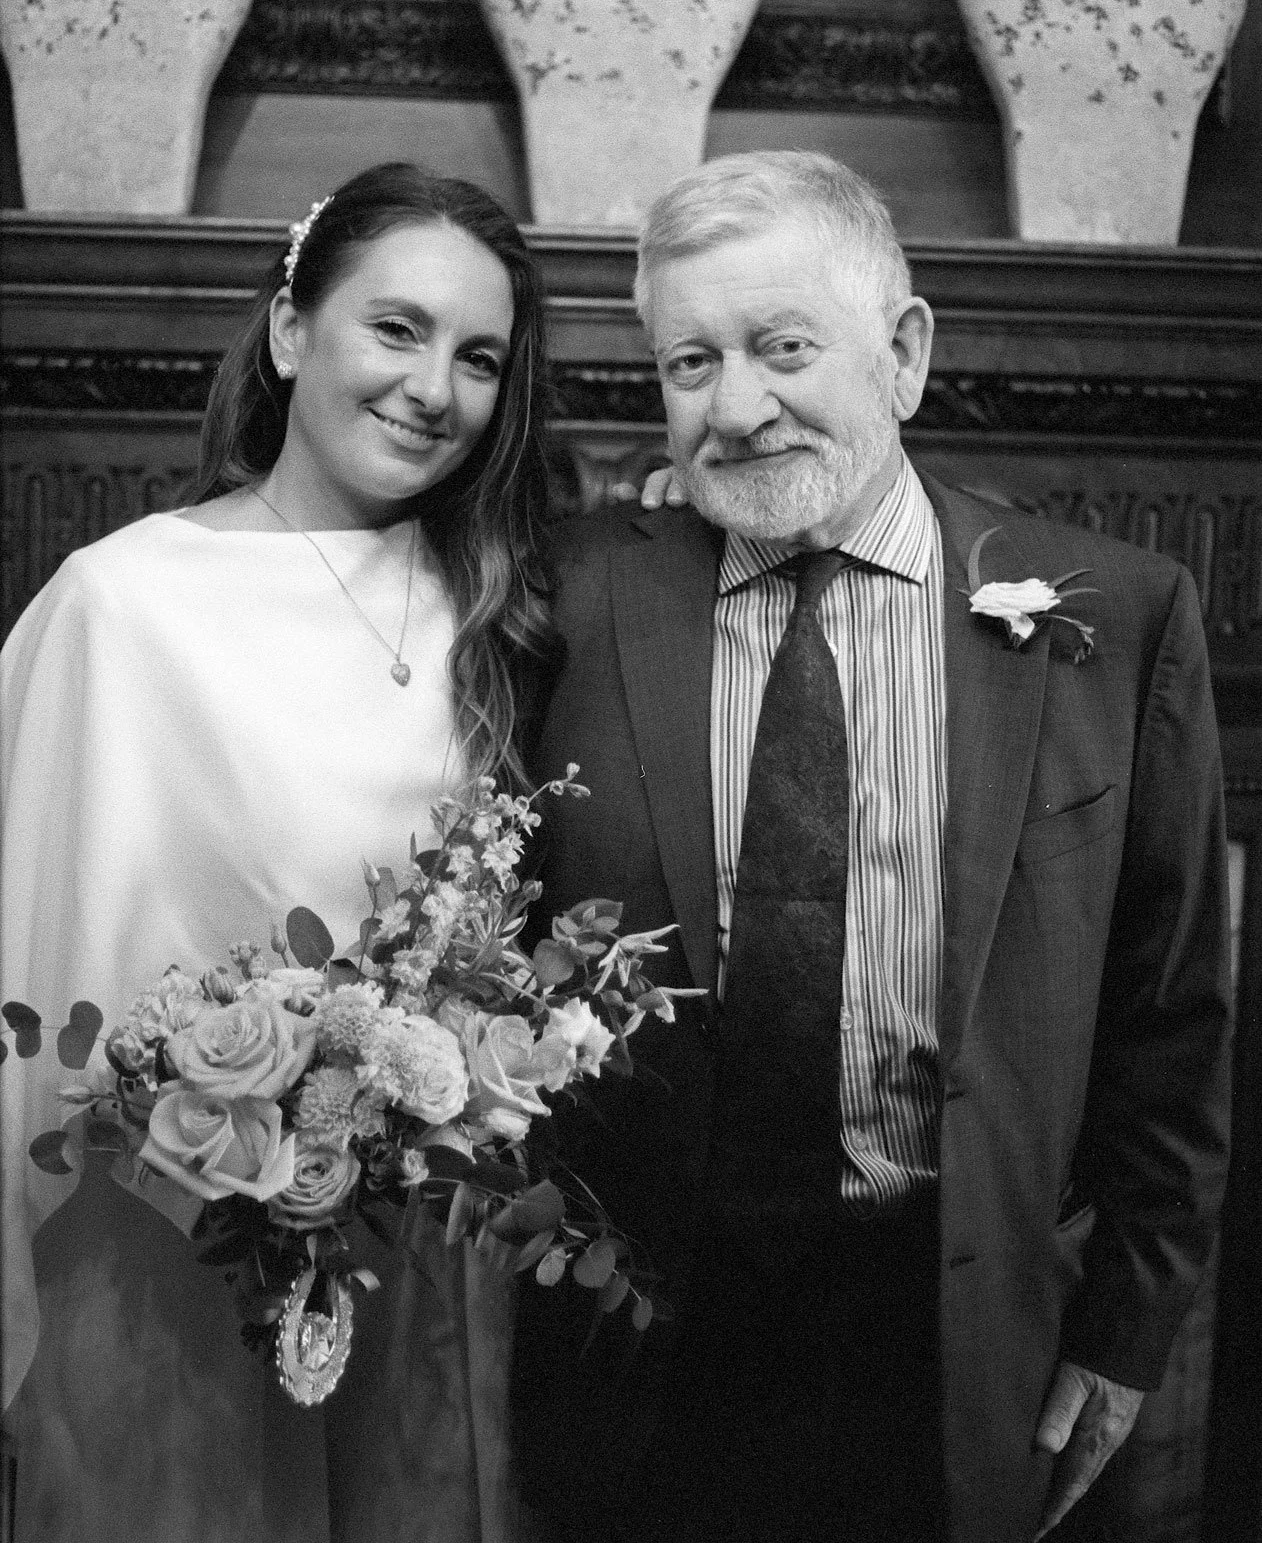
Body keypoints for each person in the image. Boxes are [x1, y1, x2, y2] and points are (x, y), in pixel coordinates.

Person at [511, 150, 1233, 1543]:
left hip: (960, 1331)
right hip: (634, 1343)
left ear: (902, 354)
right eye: (689, 364)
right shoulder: (570, 598)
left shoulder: (1115, 620)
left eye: (783, 348)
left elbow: (1170, 1022)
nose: (734, 409)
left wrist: (1126, 1330)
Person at [1, 163, 557, 1543]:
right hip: (162, 1246)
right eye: (397, 328)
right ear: (292, 331)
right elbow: (29, 939)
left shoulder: (496, 611)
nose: (434, 388)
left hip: (422, 1261)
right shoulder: (124, 604)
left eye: (478, 357)